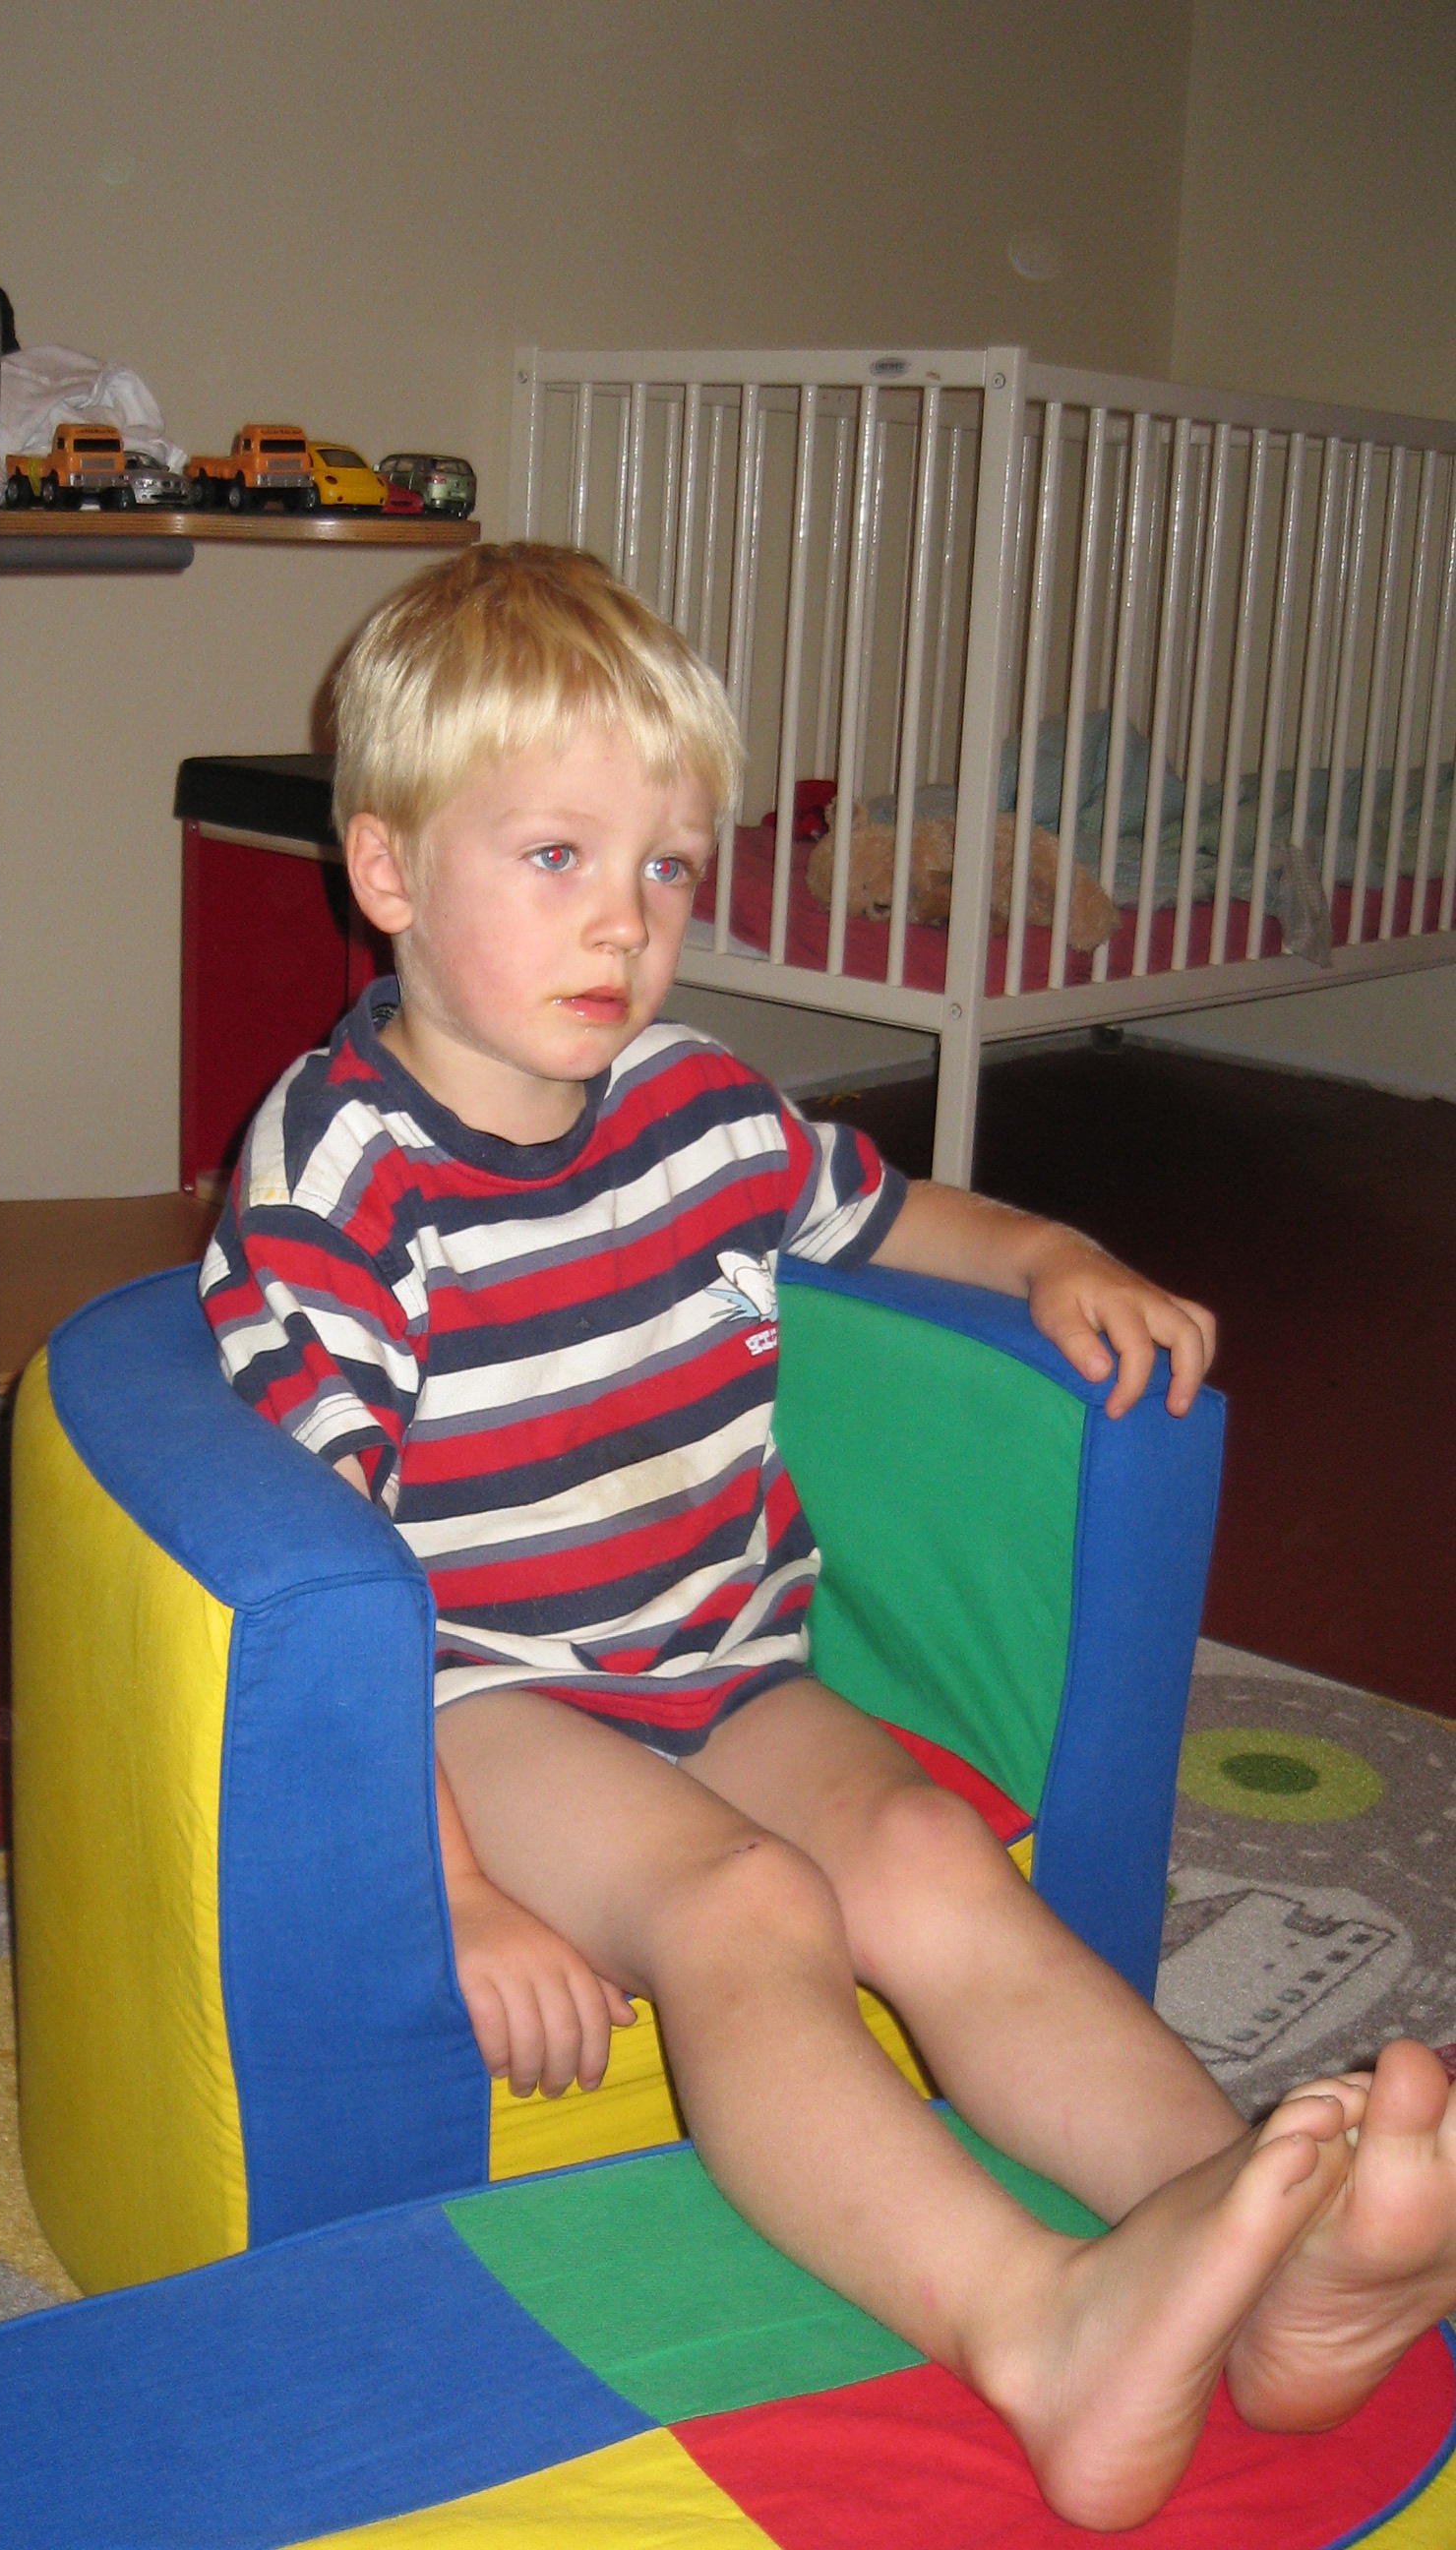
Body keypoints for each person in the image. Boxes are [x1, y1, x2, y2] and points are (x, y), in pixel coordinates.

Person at [200, 542, 1456, 2531]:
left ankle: (1246, 2231)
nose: (625, 920)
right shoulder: (336, 1178)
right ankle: (1035, 2326)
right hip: (485, 1696)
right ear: (387, 870)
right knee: (745, 1910)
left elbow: (880, 1213)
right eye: (556, 856)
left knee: (923, 1855)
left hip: (723, 1654)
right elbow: (331, 1581)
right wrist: (453, 1891)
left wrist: (1048, 1249)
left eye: (668, 867)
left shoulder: (696, 1102)